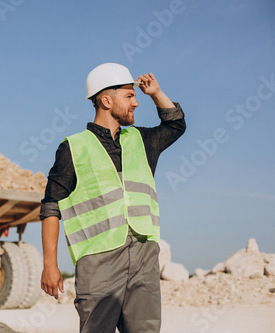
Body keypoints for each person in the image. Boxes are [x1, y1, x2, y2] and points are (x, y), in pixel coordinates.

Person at [40, 63, 186, 333]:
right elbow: (50, 207)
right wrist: (50, 264)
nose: (136, 103)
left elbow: (176, 124)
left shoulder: (143, 140)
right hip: (99, 261)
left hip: (143, 255)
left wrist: (156, 93)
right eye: (130, 96)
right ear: (106, 100)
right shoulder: (74, 147)